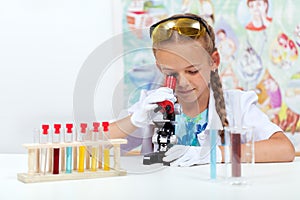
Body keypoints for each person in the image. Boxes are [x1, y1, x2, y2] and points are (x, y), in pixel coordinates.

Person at [109, 13, 295, 166]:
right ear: (160, 68)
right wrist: (135, 119)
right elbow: (96, 147)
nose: (183, 82)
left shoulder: (238, 104)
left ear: (214, 61)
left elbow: (285, 149)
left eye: (192, 71)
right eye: (171, 73)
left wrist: (214, 155)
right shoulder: (151, 105)